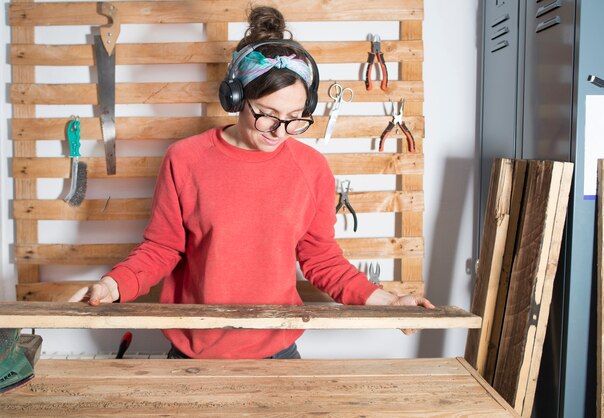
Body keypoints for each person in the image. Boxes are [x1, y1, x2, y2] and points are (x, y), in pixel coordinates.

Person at [69, 6, 434, 359]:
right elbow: (162, 248)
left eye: (295, 118)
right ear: (237, 98)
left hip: (277, 350)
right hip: (193, 352)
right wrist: (111, 285)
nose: (280, 131)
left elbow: (322, 260)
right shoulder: (185, 159)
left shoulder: (312, 168)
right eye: (268, 116)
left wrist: (389, 301)